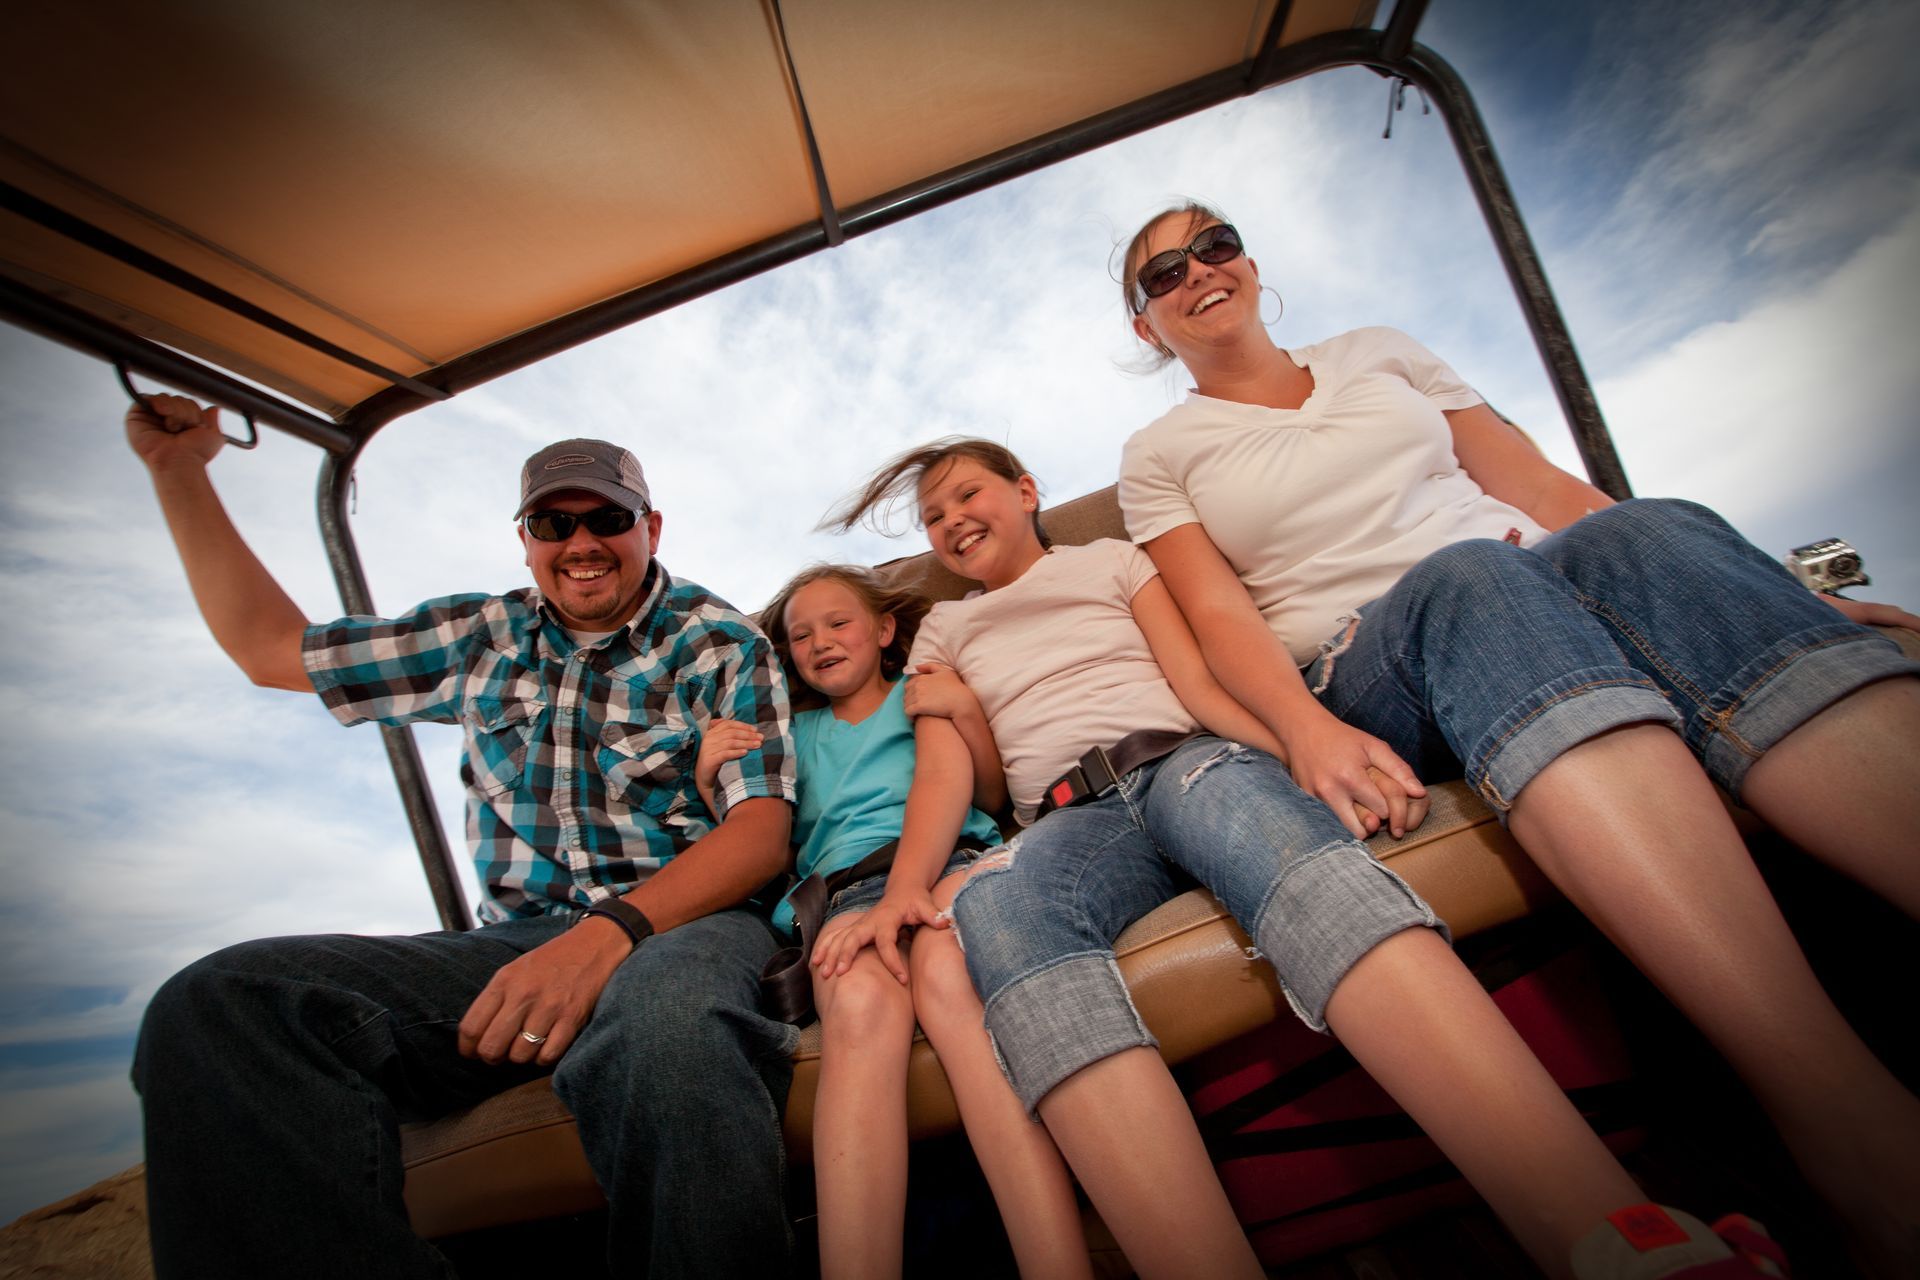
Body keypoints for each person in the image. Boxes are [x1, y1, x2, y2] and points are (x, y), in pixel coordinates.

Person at [1113, 200, 1920, 1277]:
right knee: (1473, 575)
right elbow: (1219, 618)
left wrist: (1767, 586)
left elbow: (1538, 486)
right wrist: (1302, 729)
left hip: (1535, 575)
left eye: (1214, 245)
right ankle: (1855, 1130)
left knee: (1650, 525)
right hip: (1383, 655)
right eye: (1163, 273)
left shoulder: (1380, 352)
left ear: (1249, 262)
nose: (1197, 272)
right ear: (1145, 326)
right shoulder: (1160, 451)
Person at [825, 437, 1785, 1280]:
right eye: (933, 517)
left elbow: (1195, 677)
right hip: (1065, 818)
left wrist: (1303, 747)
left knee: (1250, 813)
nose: (952, 520)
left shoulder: (1114, 560)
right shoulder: (946, 629)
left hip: (1182, 754)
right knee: (999, 911)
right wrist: (905, 888)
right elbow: (962, 774)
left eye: (967, 495)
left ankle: (1610, 1229)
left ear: (1026, 489)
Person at [125, 396, 801, 1279]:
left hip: (686, 926)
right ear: (526, 540)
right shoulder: (481, 637)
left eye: (608, 518)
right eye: (555, 522)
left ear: (651, 526)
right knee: (222, 1004)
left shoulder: (716, 644)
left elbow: (760, 834)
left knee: (669, 1031)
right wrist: (178, 472)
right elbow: (267, 648)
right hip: (518, 944)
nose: (582, 541)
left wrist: (608, 936)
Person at [695, 565, 1093, 1279]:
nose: (819, 642)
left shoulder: (921, 697)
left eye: (838, 623)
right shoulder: (791, 734)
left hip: (954, 862)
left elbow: (990, 794)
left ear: (883, 630)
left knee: (955, 975)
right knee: (859, 1000)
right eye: (800, 636)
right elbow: (770, 850)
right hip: (844, 894)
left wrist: (965, 713)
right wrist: (709, 784)